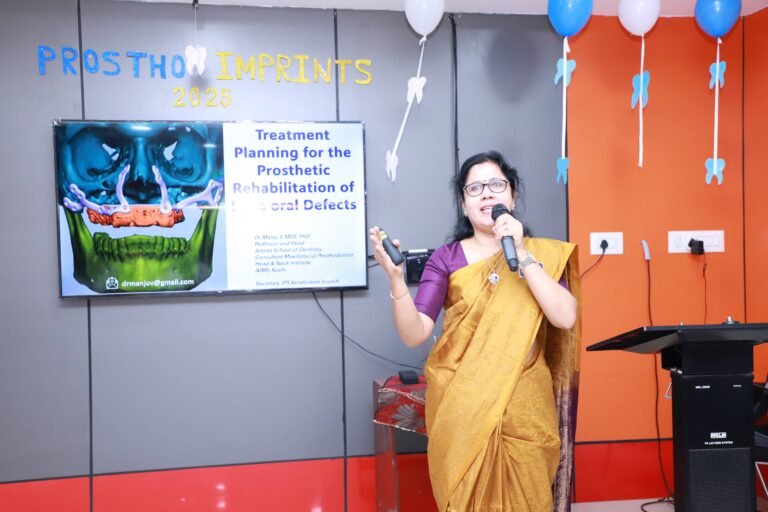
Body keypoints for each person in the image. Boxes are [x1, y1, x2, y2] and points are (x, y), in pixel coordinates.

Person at [369, 150, 581, 512]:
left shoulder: (541, 254)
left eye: (496, 184)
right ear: (463, 203)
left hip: (525, 406)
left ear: (512, 195)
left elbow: (565, 317)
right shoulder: (447, 258)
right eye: (475, 188)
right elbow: (415, 332)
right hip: (463, 405)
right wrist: (396, 281)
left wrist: (523, 254)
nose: (487, 194)